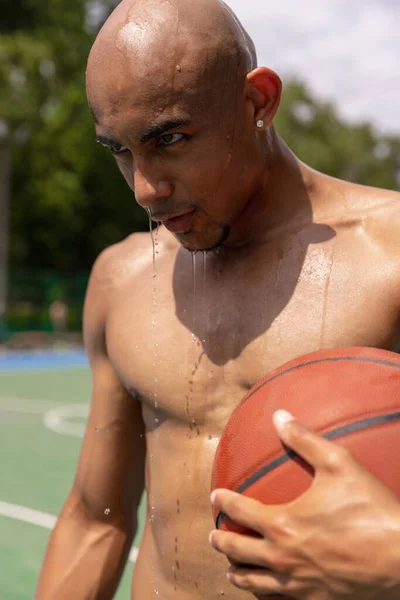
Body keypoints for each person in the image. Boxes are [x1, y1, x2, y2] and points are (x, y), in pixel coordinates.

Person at [35, 0, 400, 598]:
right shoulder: (121, 279)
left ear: (258, 101)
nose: (145, 188)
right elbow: (93, 522)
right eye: (120, 151)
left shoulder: (391, 259)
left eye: (170, 138)